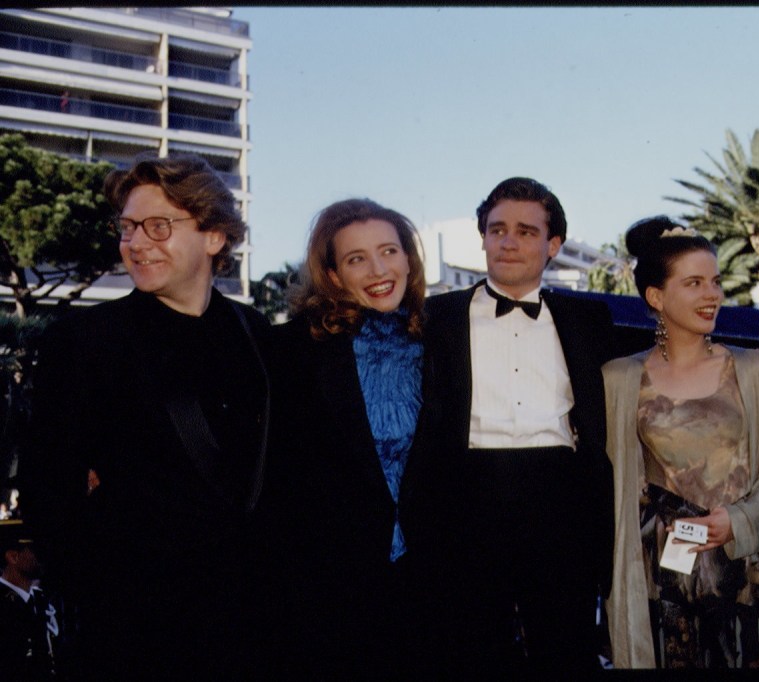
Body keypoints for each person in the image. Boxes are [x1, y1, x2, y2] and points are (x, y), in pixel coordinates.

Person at [22, 154, 272, 680]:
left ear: (214, 237)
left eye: (159, 226)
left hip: (250, 625)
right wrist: (99, 596)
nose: (136, 243)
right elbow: (48, 490)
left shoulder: (256, 333)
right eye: (129, 227)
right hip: (133, 634)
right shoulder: (87, 340)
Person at [423, 177, 616, 675]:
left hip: (559, 494)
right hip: (467, 495)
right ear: (482, 237)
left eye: (527, 232)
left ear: (553, 246)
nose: (509, 242)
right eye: (498, 229)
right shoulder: (436, 317)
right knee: (471, 648)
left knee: (566, 647)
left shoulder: (588, 319)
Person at [603, 217, 759, 669]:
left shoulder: (756, 369)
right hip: (663, 579)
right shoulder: (619, 379)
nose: (712, 295)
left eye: (716, 281)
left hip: (745, 568)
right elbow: (611, 483)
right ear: (656, 297)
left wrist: (740, 520)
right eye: (694, 283)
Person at [266, 199, 435, 677]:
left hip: (431, 585)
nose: (379, 270)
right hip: (331, 590)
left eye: (389, 251)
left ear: (408, 259)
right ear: (334, 275)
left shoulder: (442, 341)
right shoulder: (290, 351)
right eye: (357, 258)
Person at [1, 521, 58, 679]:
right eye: (35, 552)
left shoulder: (39, 600)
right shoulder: (5, 604)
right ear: (13, 557)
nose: (42, 559)